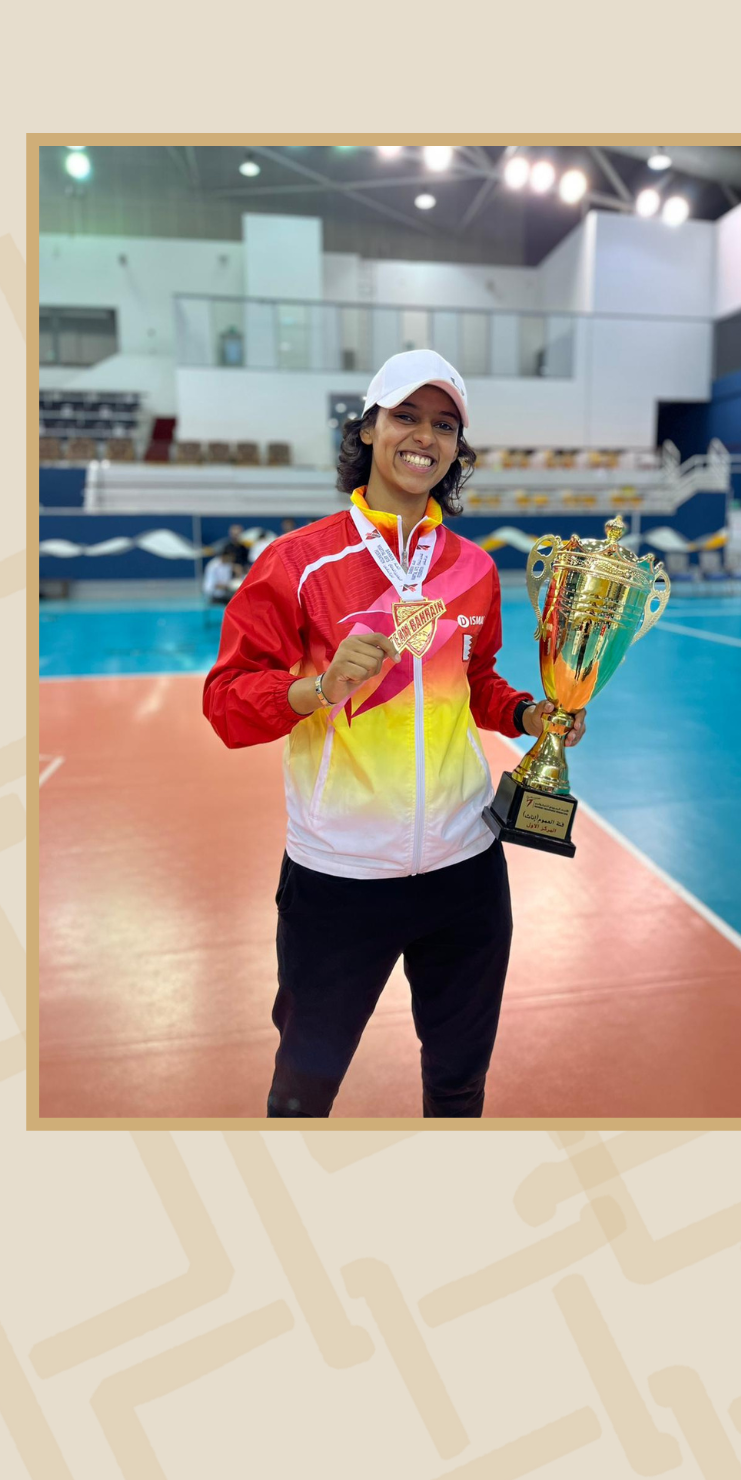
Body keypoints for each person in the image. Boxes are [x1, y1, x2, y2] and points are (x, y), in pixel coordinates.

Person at [202, 350, 582, 1118]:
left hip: (466, 868)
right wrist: (317, 689)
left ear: (457, 448)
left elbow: (477, 683)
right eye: (406, 416)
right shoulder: (297, 563)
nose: (425, 437)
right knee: (302, 1093)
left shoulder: (473, 569)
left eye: (444, 425)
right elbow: (227, 704)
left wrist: (529, 716)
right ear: (369, 428)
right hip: (338, 876)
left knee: (458, 1084)